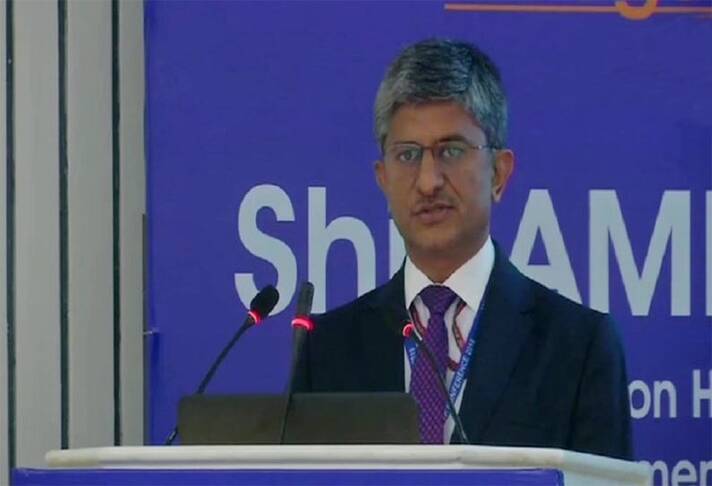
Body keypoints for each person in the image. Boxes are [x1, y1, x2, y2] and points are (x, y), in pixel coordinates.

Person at [293, 38, 632, 460]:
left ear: (499, 173)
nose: (428, 181)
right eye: (408, 155)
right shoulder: (327, 351)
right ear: (383, 179)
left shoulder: (577, 348)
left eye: (451, 151)